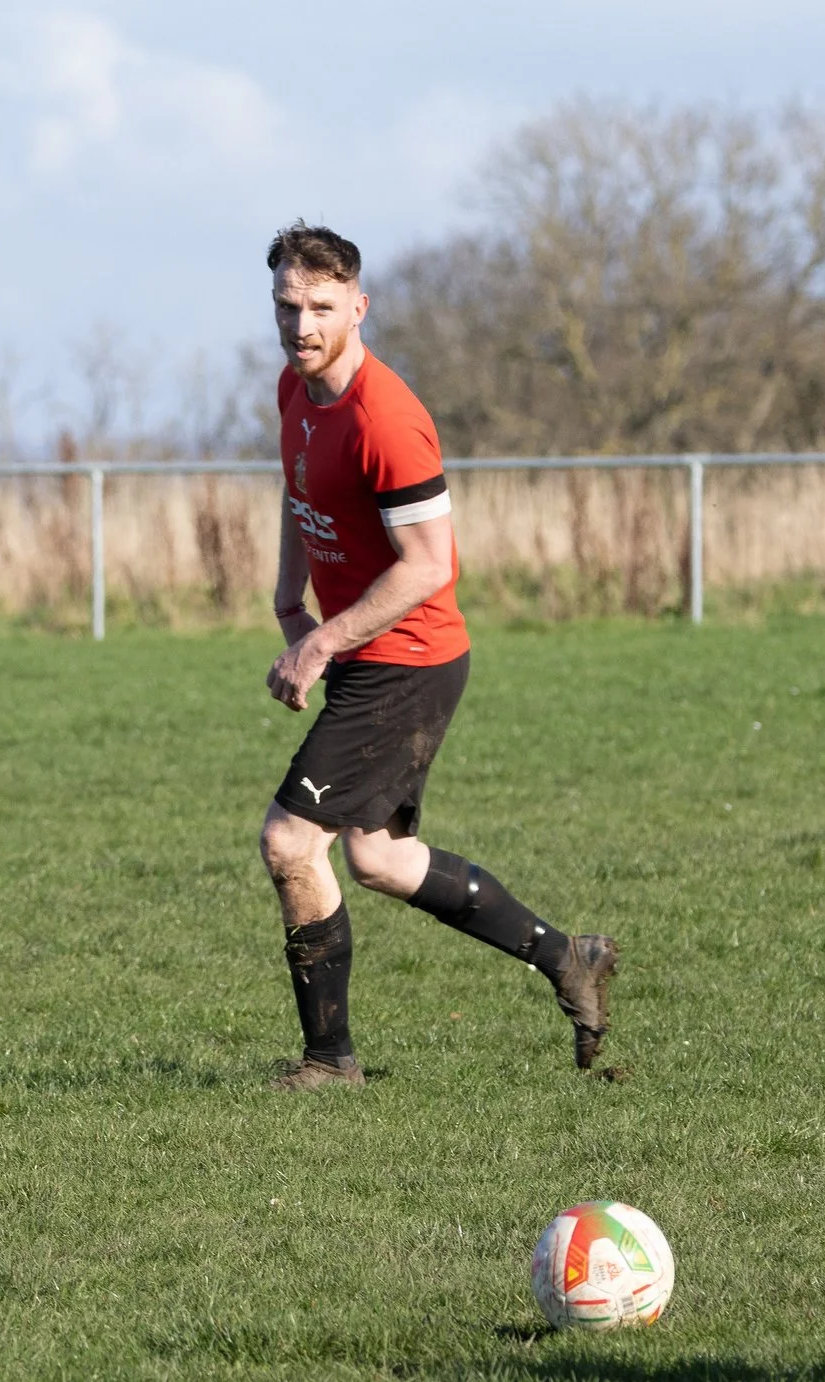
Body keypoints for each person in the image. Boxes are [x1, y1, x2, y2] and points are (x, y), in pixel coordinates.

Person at [255, 222, 616, 1087]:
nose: (300, 325)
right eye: (286, 305)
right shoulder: (294, 391)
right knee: (376, 859)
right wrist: (286, 600)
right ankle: (570, 957)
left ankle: (330, 1061)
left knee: (289, 841)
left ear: (359, 306)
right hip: (370, 655)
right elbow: (299, 493)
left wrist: (320, 647)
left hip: (408, 660)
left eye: (321, 308)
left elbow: (428, 566)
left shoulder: (390, 419)